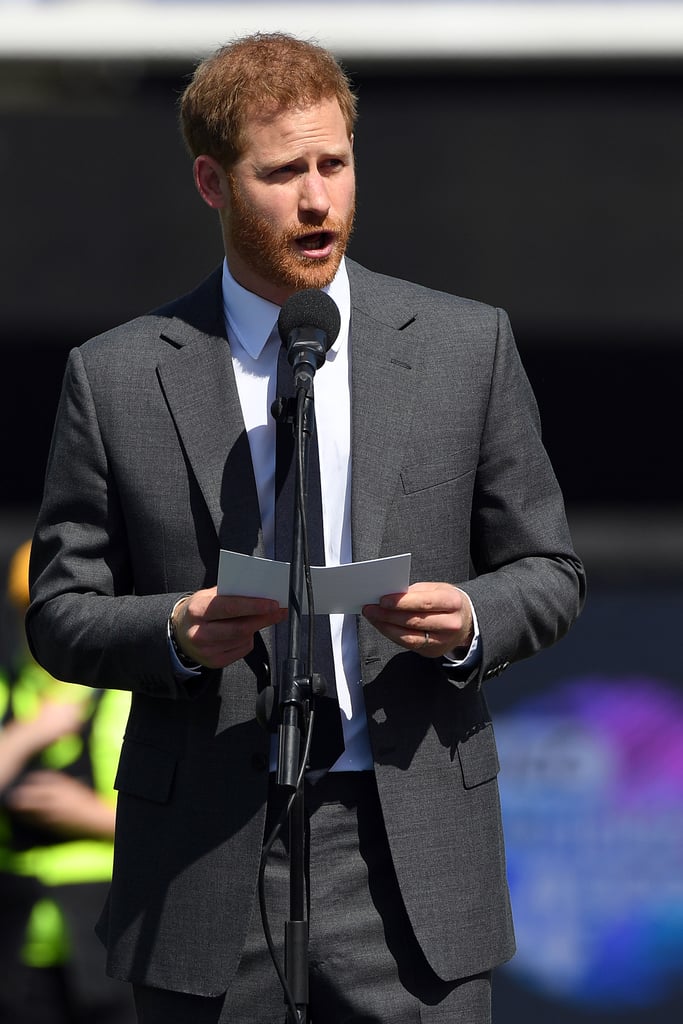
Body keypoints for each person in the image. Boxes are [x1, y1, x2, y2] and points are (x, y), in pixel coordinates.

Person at [26, 31, 586, 1024]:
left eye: (334, 163)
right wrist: (173, 632)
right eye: (282, 172)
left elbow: (547, 569)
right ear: (211, 180)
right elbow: (61, 612)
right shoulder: (115, 376)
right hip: (202, 866)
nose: (317, 199)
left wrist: (465, 619)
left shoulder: (464, 347)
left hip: (408, 861)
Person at [1, 540, 136, 1023]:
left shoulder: (126, 696)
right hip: (18, 930)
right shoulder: (7, 692)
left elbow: (173, 819)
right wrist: (26, 736)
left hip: (106, 922)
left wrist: (87, 815)